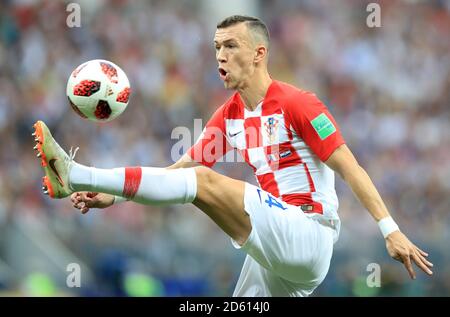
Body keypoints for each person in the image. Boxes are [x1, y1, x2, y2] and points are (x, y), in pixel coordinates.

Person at [32, 15, 433, 297]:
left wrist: (389, 229)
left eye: (230, 46)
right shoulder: (230, 116)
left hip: (309, 231)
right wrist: (116, 197)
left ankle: (75, 173)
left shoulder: (299, 104)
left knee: (206, 184)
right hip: (276, 250)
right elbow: (182, 170)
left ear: (259, 54)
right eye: (216, 47)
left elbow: (351, 168)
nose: (220, 56)